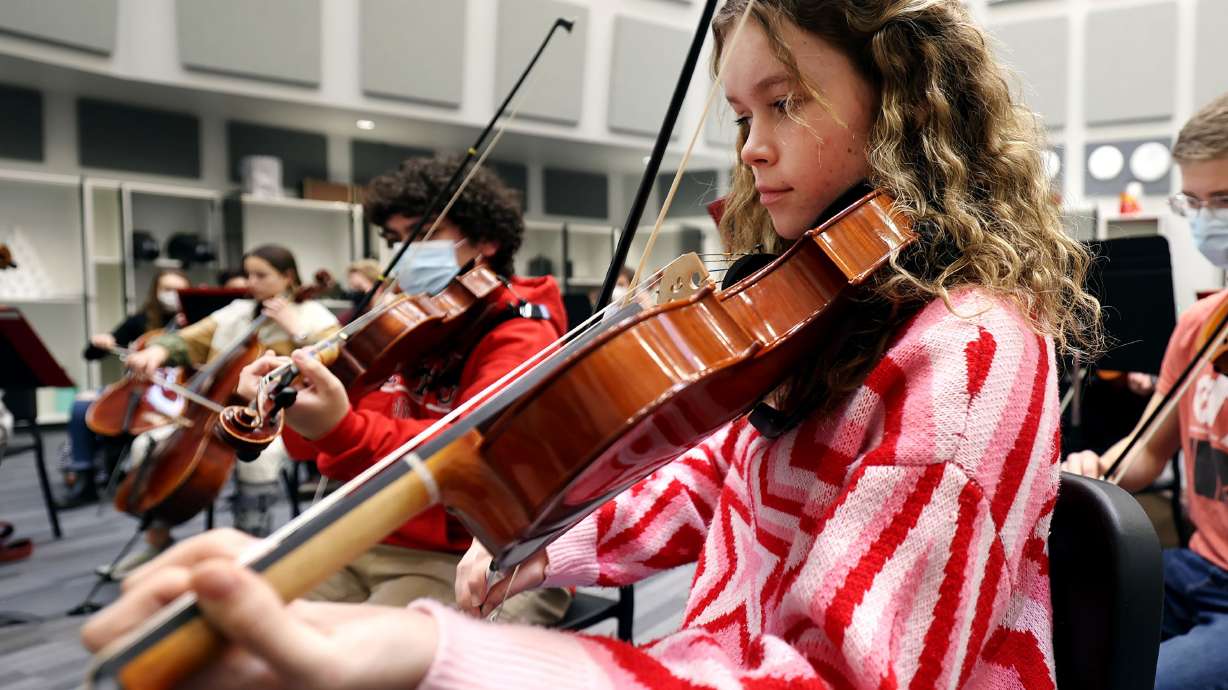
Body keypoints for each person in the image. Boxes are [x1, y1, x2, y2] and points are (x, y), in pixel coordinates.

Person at [83, 2, 1100, 687]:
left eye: (784, 102)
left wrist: (432, 651)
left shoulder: (965, 351)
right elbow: (711, 485)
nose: (748, 145)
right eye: (742, 111)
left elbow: (845, 675)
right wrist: (533, 542)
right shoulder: (834, 313)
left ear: (904, 108)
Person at [234, 155, 572, 623]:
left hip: (470, 555)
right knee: (239, 624)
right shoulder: (401, 322)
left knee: (347, 661)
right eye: (396, 240)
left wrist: (340, 429)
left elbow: (466, 457)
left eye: (426, 234)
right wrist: (290, 408)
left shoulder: (521, 334)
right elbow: (316, 449)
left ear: (488, 241)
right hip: (368, 533)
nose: (408, 253)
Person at [1065, 92, 1228, 690]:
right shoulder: (1202, 326)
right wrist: (1095, 467)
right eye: (1198, 202)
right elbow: (1148, 450)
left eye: (1225, 201)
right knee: (1057, 615)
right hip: (1196, 570)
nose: (1209, 219)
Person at [106, 245, 339, 578]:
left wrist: (295, 330)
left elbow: (331, 353)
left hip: (274, 422)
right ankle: (156, 541)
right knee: (149, 443)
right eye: (249, 274)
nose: (251, 283)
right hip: (214, 413)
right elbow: (188, 340)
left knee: (260, 460)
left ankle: (250, 549)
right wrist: (157, 352)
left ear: (288, 277)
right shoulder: (238, 312)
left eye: (261, 275)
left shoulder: (314, 315)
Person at [58, 269, 190, 509]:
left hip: (172, 391)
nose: (172, 296)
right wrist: (101, 342)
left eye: (178, 290)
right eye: (166, 290)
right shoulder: (139, 321)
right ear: (156, 292)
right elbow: (91, 354)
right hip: (134, 385)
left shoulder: (195, 324)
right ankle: (83, 476)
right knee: (80, 407)